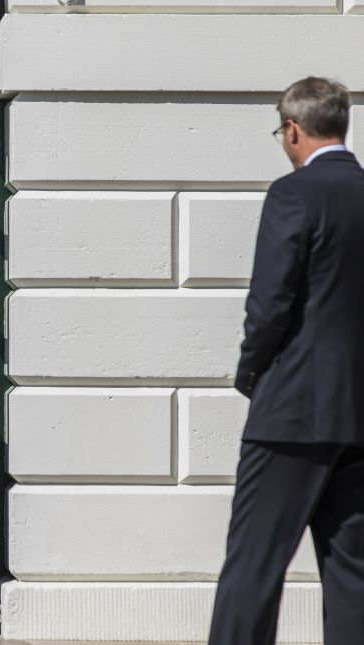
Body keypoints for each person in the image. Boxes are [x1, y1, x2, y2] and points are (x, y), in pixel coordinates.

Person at [208, 77, 364, 645]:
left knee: (252, 567)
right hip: (358, 416)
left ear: (293, 129)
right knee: (354, 575)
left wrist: (251, 375)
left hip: (292, 411)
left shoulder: (293, 194)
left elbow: (269, 305)